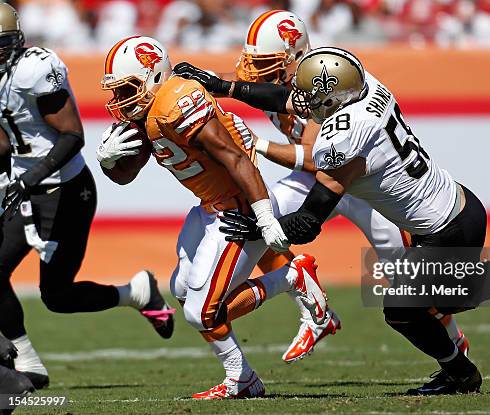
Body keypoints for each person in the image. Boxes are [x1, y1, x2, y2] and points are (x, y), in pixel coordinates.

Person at [174, 46, 490, 395]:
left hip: (443, 230)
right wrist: (223, 86)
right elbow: (289, 99)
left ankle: (461, 373)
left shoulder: (347, 137)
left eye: (312, 99)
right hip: (458, 204)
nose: (300, 104)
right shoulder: (367, 87)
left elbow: (309, 221)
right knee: (438, 296)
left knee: (407, 310)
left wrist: (263, 227)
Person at [225, 9, 469, 362]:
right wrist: (198, 83)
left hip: (362, 186)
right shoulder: (272, 75)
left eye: (267, 63)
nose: (255, 73)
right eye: (255, 63)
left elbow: (316, 158)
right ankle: (313, 311)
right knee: (260, 220)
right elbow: (234, 83)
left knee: (405, 277)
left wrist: (258, 144)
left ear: (296, 56)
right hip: (313, 182)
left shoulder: (327, 82)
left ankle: (452, 338)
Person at [96, 35, 329, 399]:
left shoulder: (176, 102)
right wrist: (108, 161)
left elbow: (234, 156)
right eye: (118, 90)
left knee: (201, 312)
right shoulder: (148, 111)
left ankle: (250, 364)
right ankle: (283, 292)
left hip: (237, 208)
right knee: (181, 290)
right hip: (210, 207)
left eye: (128, 88)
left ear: (154, 76)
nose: (121, 99)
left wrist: (264, 216)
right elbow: (125, 175)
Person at [0, 3, 175, 390]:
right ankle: (27, 364)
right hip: (24, 187)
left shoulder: (34, 70)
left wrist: (32, 177)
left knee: (57, 296)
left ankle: (136, 293)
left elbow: (72, 136)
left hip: (64, 190)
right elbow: (6, 140)